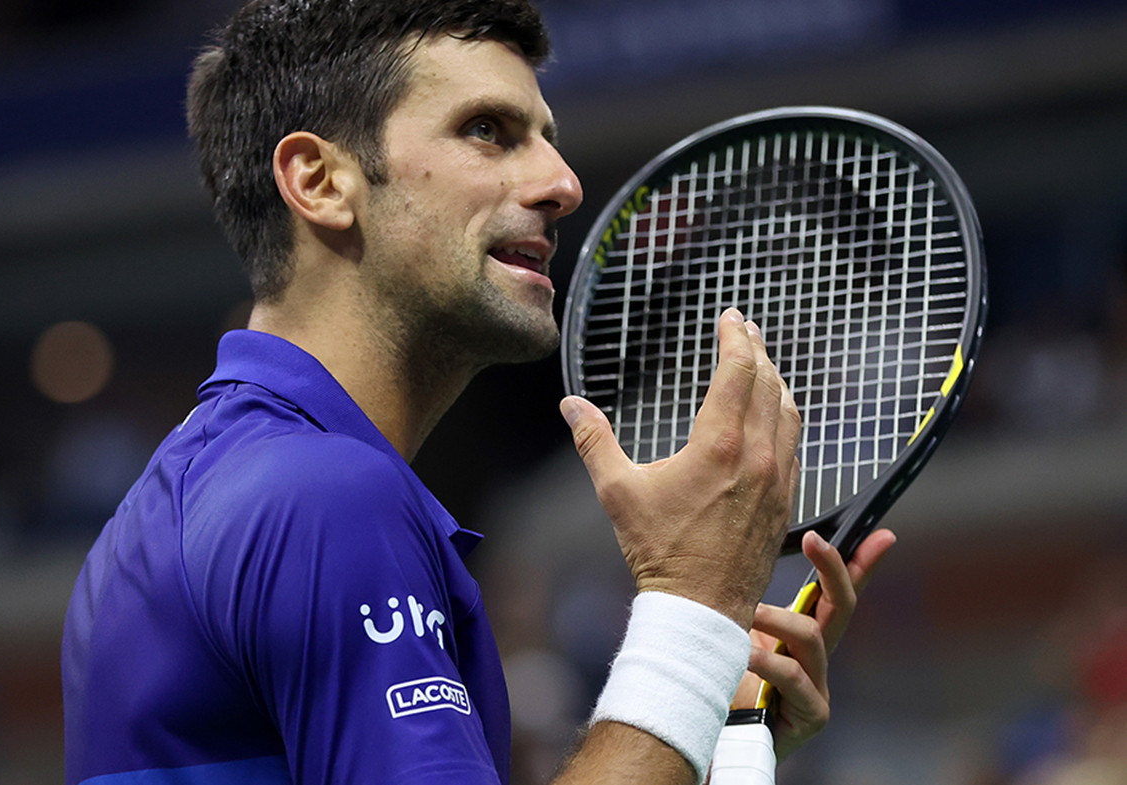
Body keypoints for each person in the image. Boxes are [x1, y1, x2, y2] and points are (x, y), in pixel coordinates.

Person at [61, 1, 896, 783]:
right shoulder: (320, 498)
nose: (563, 181)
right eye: (488, 131)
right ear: (319, 180)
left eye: (546, 136)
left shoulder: (200, 492)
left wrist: (717, 708)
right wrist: (692, 604)